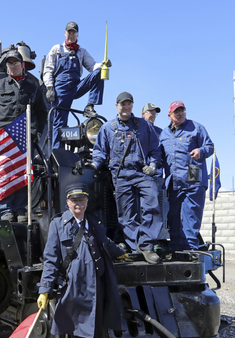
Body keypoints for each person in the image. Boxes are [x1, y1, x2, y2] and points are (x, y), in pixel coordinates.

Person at [37, 184, 127, 338]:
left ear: (86, 202)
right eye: (74, 201)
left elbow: (105, 243)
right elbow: (51, 258)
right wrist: (44, 290)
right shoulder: (58, 224)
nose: (79, 204)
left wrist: (122, 253)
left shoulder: (93, 222)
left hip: (98, 283)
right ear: (68, 203)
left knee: (95, 324)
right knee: (79, 326)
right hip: (76, 284)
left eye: (82, 200)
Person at [91, 92, 162, 264]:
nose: (126, 107)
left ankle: (146, 245)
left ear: (132, 106)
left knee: (153, 200)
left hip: (140, 172)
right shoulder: (108, 127)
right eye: (122, 104)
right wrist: (93, 166)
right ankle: (136, 246)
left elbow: (155, 149)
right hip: (120, 175)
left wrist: (152, 166)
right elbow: (99, 151)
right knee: (126, 215)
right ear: (117, 106)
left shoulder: (143, 125)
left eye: (129, 104)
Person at [0, 49, 48, 222]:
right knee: (2, 172)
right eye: (9, 63)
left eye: (15, 62)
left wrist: (38, 132)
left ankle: (20, 209)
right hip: (1, 136)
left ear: (22, 65)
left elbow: (42, 113)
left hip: (25, 135)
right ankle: (5, 210)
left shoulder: (33, 87)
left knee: (23, 171)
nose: (12, 66)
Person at [43, 21, 110, 150]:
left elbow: (92, 66)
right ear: (65, 33)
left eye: (74, 33)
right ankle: (57, 154)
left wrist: (103, 64)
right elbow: (48, 69)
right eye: (69, 32)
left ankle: (90, 106)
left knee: (99, 73)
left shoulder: (82, 52)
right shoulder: (57, 49)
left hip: (75, 87)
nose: (71, 35)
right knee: (59, 123)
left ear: (77, 35)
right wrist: (50, 87)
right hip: (60, 90)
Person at [159, 101, 214, 250]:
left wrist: (200, 152)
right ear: (170, 115)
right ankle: (176, 247)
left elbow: (209, 147)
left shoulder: (197, 128)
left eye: (182, 110)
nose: (180, 113)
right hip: (174, 182)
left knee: (191, 216)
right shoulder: (163, 134)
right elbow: (159, 157)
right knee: (173, 216)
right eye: (176, 111)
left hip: (193, 180)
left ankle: (191, 249)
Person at [142, 103, 166, 221]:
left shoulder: (160, 132)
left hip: (156, 176)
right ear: (143, 114)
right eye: (150, 112)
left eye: (154, 113)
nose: (153, 115)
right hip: (140, 175)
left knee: (156, 206)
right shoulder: (137, 130)